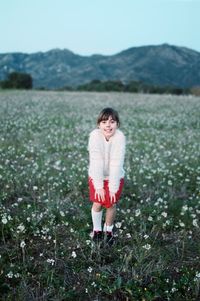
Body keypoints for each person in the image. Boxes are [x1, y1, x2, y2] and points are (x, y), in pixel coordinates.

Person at [88, 107, 126, 245]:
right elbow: (96, 160)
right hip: (97, 176)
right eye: (104, 122)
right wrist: (99, 186)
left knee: (111, 204)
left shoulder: (120, 138)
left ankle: (108, 230)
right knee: (98, 202)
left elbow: (116, 163)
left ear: (117, 124)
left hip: (115, 177)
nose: (108, 125)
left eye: (112, 121)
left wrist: (112, 188)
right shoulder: (94, 136)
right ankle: (97, 230)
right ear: (99, 125)